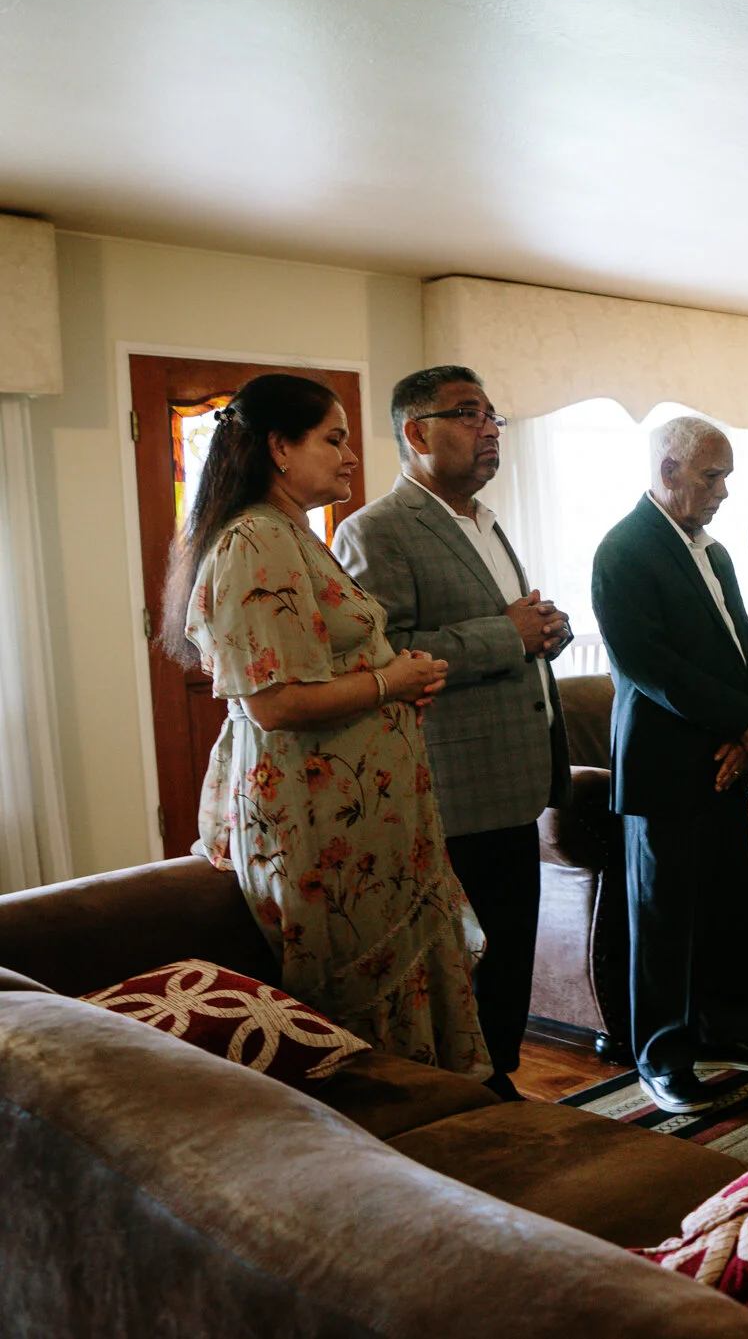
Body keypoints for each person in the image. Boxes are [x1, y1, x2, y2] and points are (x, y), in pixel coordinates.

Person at [160, 372, 488, 1077]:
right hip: (318, 818)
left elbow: (325, 663)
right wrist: (389, 682)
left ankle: (435, 1117)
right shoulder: (255, 539)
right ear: (280, 448)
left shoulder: (292, 533)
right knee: (358, 1008)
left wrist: (395, 676)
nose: (350, 455)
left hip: (358, 805)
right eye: (333, 439)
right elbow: (274, 702)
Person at [334, 365, 571, 1101]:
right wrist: (508, 635)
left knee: (511, 951)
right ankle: (470, 1099)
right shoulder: (375, 530)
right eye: (469, 414)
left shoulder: (485, 521)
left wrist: (545, 631)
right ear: (416, 431)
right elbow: (387, 654)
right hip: (452, 786)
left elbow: (505, 629)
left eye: (493, 415)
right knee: (470, 962)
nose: (490, 429)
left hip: (515, 776)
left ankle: (500, 1085)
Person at [590, 415, 748, 1114]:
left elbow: (745, 645)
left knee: (724, 909)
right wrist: (739, 720)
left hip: (726, 756)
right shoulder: (623, 549)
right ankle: (662, 1060)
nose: (724, 491)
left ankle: (726, 1032)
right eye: (712, 477)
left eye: (727, 476)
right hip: (663, 763)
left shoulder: (715, 551)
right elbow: (650, 665)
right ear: (668, 470)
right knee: (664, 923)